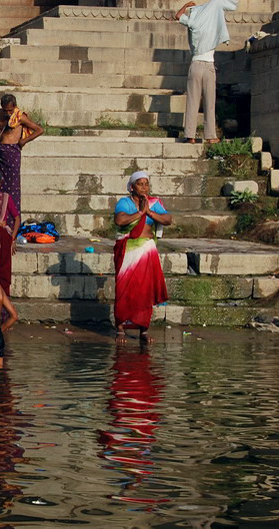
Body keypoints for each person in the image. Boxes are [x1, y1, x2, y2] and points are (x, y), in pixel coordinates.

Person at [113, 171, 173, 344]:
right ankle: (120, 328)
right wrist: (140, 213)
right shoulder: (124, 202)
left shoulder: (154, 203)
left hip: (147, 250)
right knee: (124, 289)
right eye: (140, 184)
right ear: (132, 187)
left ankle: (144, 330)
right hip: (128, 251)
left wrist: (150, 213)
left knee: (145, 291)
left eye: (146, 184)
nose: (144, 187)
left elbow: (168, 219)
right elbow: (120, 220)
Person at [176, 0, 237, 144]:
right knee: (209, 103)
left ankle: (190, 135)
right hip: (209, 66)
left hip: (195, 64)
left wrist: (186, 6)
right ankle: (210, 136)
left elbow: (177, 16)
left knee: (192, 101)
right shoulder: (212, 25)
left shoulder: (193, 23)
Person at [0, 94, 44, 214]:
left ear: (14, 107)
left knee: (12, 186)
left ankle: (11, 218)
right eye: (6, 110)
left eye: (10, 110)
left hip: (12, 152)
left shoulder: (20, 116)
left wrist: (24, 141)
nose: (8, 113)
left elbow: (39, 130)